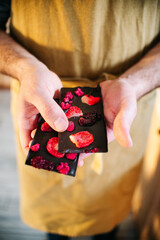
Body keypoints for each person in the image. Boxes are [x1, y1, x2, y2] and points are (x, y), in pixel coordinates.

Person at [0, 0, 160, 239]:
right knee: (55, 218)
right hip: (40, 103)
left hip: (124, 105)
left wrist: (134, 83)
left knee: (107, 210)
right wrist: (25, 68)